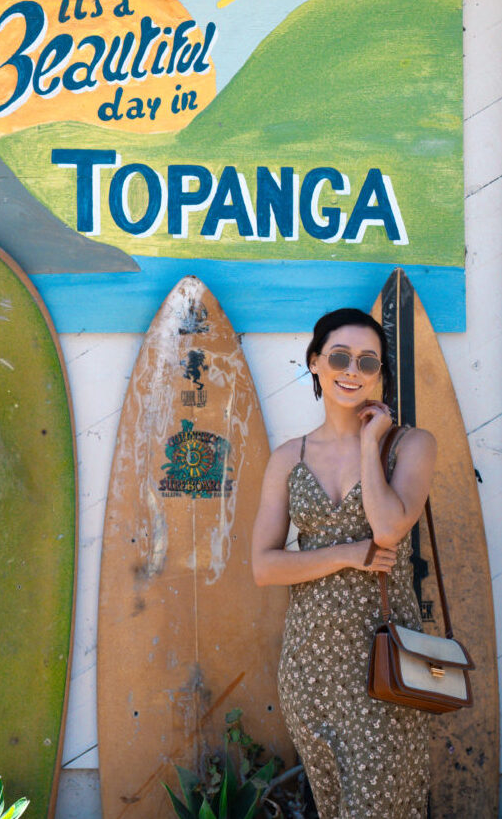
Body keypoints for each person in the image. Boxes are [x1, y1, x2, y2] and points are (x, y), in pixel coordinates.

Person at [251, 308, 436, 819]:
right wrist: (345, 555)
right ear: (315, 362)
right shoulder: (288, 458)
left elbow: (388, 529)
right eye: (339, 357)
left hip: (386, 662)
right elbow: (264, 567)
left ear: (379, 374)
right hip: (310, 666)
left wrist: (370, 443)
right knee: (334, 809)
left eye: (367, 361)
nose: (352, 370)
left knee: (383, 805)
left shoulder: (410, 445)